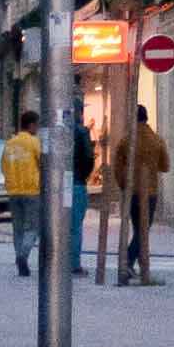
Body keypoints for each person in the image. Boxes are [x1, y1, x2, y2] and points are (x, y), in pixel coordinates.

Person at [113, 106, 170, 282]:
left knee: (138, 228)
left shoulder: (126, 141)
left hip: (131, 190)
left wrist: (123, 185)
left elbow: (117, 167)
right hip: (150, 190)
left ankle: (131, 262)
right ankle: (129, 261)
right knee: (143, 230)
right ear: (147, 118)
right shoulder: (157, 140)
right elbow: (165, 166)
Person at [3, 112, 44, 277]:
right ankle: (23, 255)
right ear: (32, 125)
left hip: (13, 191)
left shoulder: (10, 143)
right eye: (37, 125)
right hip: (32, 190)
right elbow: (43, 163)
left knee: (18, 228)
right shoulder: (34, 142)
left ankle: (20, 258)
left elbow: (3, 166)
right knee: (33, 227)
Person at [69, 113, 98, 275]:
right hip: (77, 182)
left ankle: (54, 262)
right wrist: (83, 175)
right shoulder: (81, 131)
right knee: (75, 226)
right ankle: (74, 264)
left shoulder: (54, 129)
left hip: (56, 185)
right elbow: (88, 157)